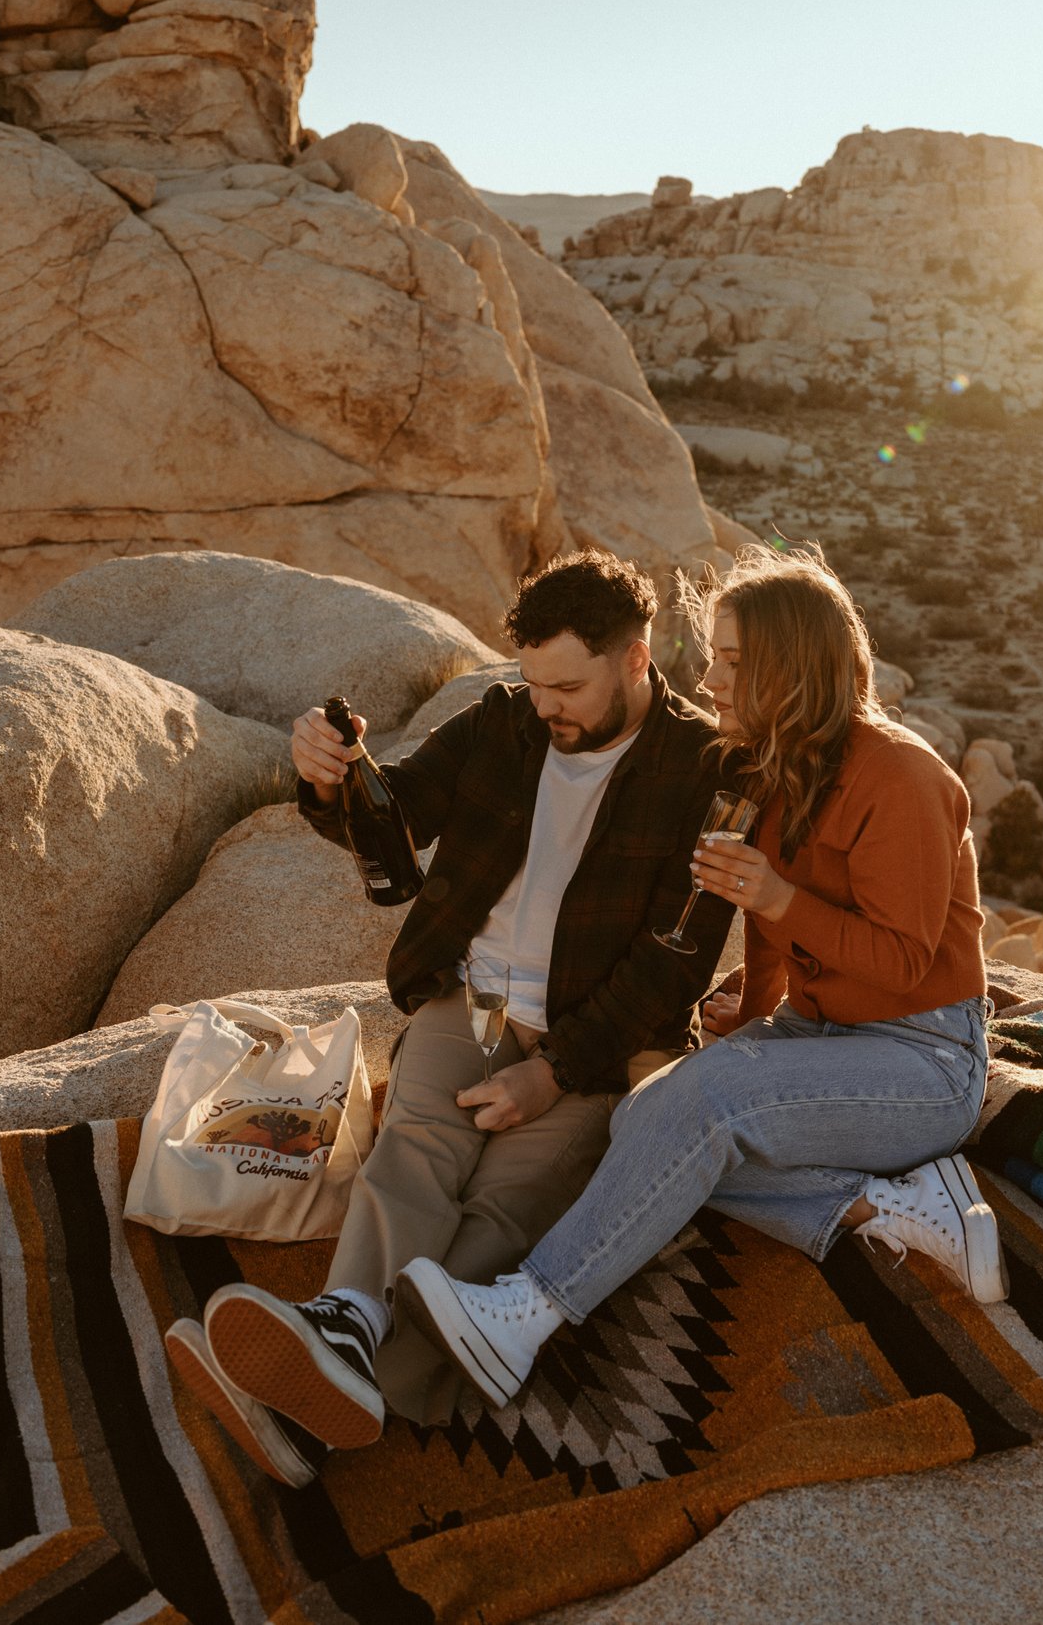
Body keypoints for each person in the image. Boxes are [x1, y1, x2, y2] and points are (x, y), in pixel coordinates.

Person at [163, 550, 737, 1485]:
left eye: (568, 684)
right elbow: (397, 808)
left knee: (505, 1206)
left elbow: (673, 963)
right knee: (419, 1139)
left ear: (635, 659)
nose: (547, 704)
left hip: (597, 1037)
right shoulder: (505, 723)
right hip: (470, 998)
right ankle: (345, 1319)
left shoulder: (702, 766)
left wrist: (549, 1072)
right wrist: (330, 774)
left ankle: (325, 1404)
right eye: (533, 680)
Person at [393, 544, 1001, 1410]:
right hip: (820, 1033)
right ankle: (886, 1207)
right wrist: (754, 1021)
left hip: (922, 1057)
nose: (709, 678)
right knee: (647, 1114)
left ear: (795, 667)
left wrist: (782, 898)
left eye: (734, 662)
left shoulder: (901, 776)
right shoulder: (775, 763)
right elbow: (763, 933)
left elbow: (904, 961)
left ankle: (527, 1311)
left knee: (701, 1107)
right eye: (712, 655)